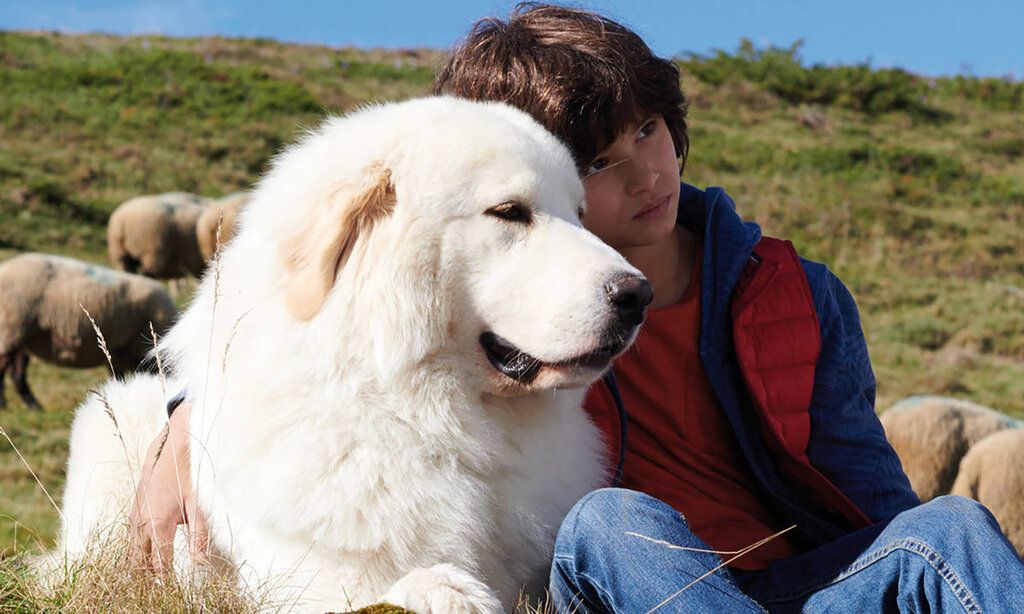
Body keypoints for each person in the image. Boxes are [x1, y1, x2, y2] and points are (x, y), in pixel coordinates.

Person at [130, 3, 1024, 612]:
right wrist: (187, 414)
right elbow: (319, 322)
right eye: (598, 160)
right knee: (613, 520)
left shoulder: (797, 293)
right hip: (629, 582)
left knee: (948, 527)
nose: (647, 171)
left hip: (797, 588)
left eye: (649, 128)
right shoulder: (525, 313)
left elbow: (866, 501)